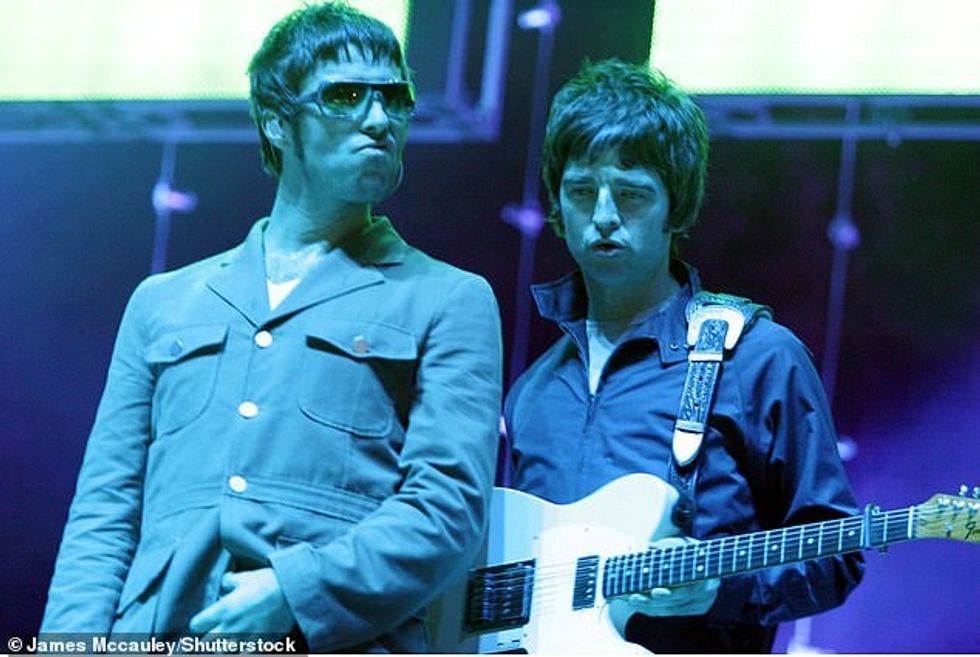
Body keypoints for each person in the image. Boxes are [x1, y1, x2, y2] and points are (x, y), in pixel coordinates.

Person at [40, 3, 502, 652]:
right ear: (276, 120)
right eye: (345, 96)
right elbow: (104, 514)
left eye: (394, 100)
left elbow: (447, 508)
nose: (378, 120)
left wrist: (298, 588)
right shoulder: (163, 302)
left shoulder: (449, 299)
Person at [503, 59, 864, 652]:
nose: (603, 217)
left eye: (631, 194)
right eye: (581, 192)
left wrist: (723, 589)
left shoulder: (757, 359)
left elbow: (838, 553)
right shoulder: (535, 391)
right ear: (556, 206)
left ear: (676, 207)